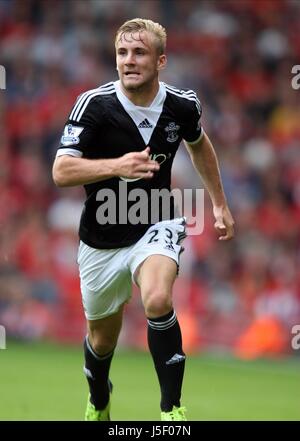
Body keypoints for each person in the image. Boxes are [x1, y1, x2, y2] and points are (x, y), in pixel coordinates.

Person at [52, 18, 234, 421]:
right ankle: (99, 399)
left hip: (157, 223)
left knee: (158, 298)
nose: (128, 61)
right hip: (100, 238)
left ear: (161, 60)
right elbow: (61, 172)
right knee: (101, 341)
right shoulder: (94, 105)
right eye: (122, 53)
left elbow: (199, 146)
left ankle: (172, 410)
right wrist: (117, 165)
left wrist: (219, 203)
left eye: (139, 53)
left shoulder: (182, 105)